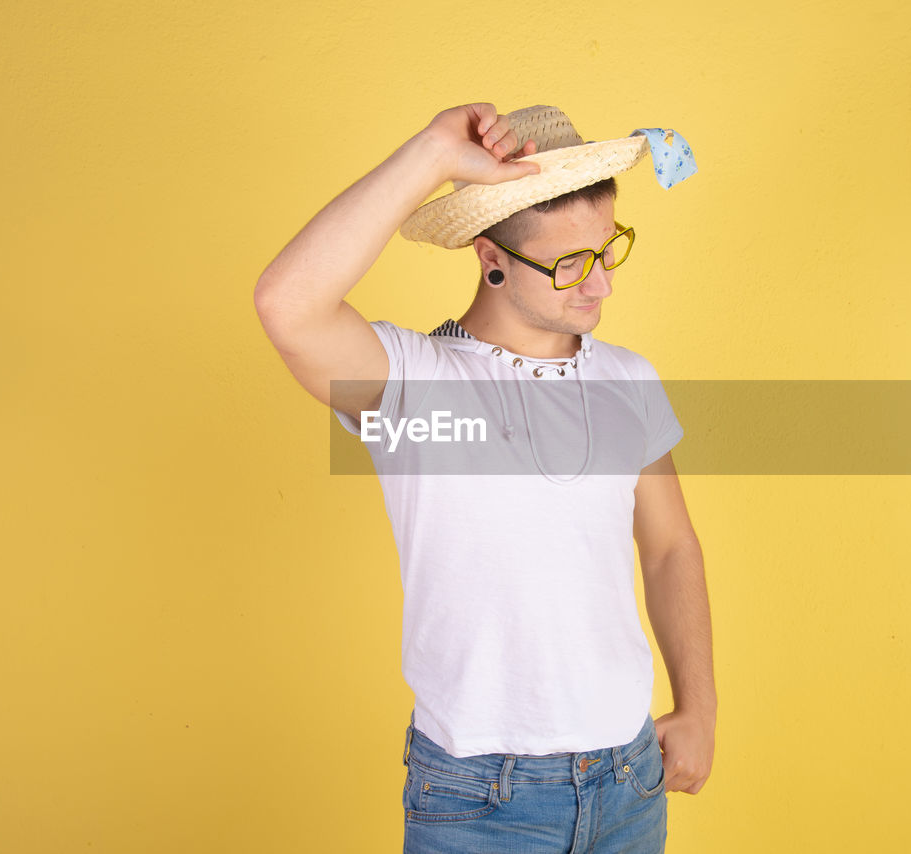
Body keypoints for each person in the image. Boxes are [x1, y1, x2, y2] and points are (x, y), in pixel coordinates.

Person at [254, 103, 715, 853]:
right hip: (480, 801)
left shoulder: (630, 378)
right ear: (490, 257)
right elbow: (288, 304)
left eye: (608, 252)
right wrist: (434, 154)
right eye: (569, 264)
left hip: (629, 781)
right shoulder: (415, 385)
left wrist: (698, 707)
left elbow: (670, 548)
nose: (600, 289)